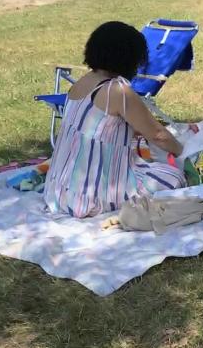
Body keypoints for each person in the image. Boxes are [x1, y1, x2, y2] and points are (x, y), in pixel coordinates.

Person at [43, 21, 186, 218]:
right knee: (173, 176)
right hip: (93, 196)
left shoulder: (84, 81)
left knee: (145, 163)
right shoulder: (117, 91)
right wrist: (185, 152)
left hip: (58, 190)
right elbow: (158, 135)